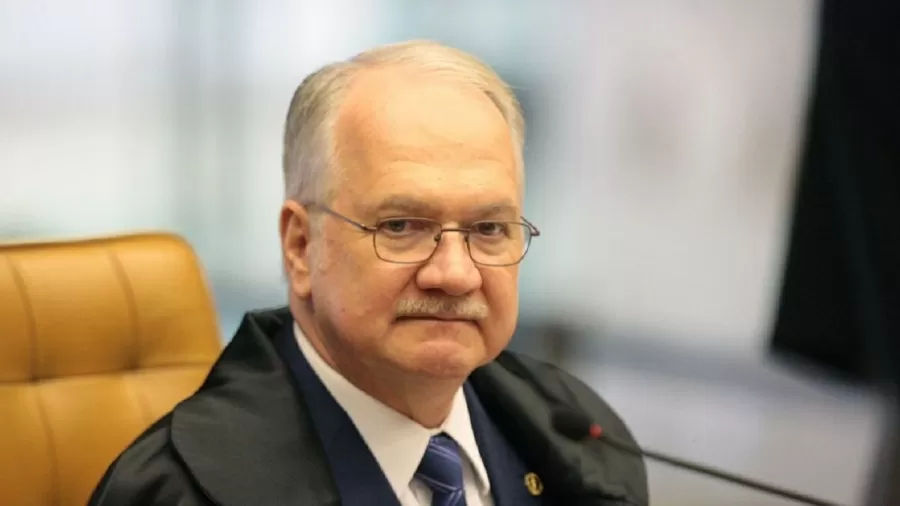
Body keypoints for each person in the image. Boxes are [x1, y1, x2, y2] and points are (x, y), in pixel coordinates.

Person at [89, 40, 647, 506]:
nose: (456, 275)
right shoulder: (176, 492)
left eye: (488, 229)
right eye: (401, 226)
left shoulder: (582, 441)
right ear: (301, 247)